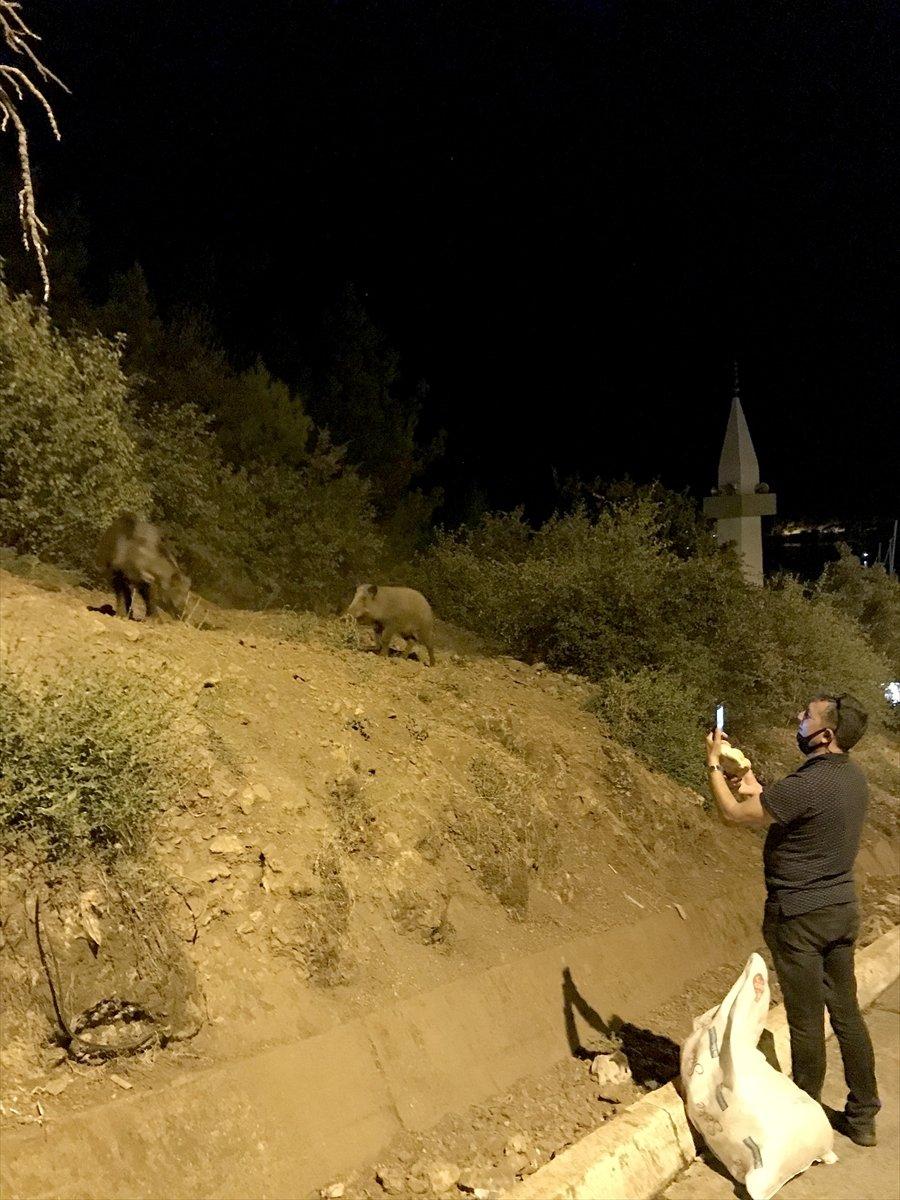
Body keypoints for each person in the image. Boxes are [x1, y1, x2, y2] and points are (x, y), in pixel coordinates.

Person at [704, 693, 881, 1147]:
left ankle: (802, 1117)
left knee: (805, 1021)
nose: (799, 720)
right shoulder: (852, 778)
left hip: (799, 916)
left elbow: (734, 814)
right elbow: (779, 804)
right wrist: (743, 775)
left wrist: (711, 766)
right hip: (841, 911)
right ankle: (863, 1115)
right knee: (845, 1012)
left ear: (826, 734)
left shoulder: (808, 783)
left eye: (808, 717)